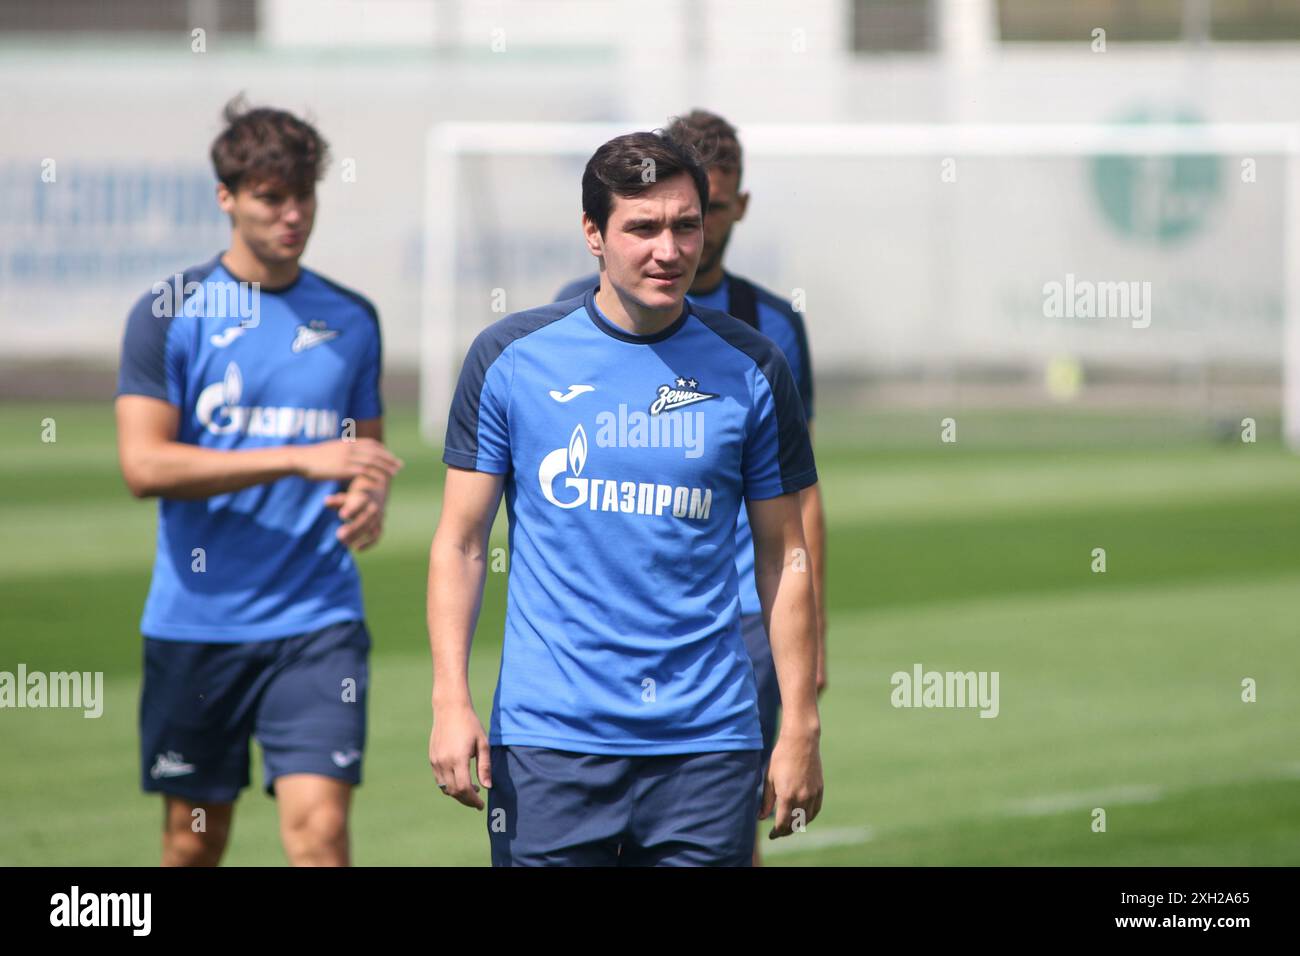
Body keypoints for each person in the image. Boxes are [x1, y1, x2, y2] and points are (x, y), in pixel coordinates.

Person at [428, 128, 822, 866]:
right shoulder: (510, 359)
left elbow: (783, 554)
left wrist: (798, 725)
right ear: (593, 234)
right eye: (642, 227)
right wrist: (450, 700)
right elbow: (460, 542)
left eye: (685, 226)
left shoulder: (754, 366)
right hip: (550, 744)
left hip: (706, 744)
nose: (668, 251)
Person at [114, 98, 401, 866]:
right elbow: (144, 467)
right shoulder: (169, 313)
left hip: (317, 623)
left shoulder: (353, 318)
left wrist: (368, 498)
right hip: (198, 624)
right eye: (272, 197)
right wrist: (296, 459)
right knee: (192, 846)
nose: (293, 214)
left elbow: (361, 457)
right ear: (227, 198)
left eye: (303, 194)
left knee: (320, 837)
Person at [555, 109, 828, 865]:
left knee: (729, 809)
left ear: (735, 206)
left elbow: (799, 493)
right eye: (671, 216)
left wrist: (815, 640)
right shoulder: (568, 316)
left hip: (746, 610)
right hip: (619, 628)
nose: (694, 230)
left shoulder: (771, 326)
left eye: (709, 212)